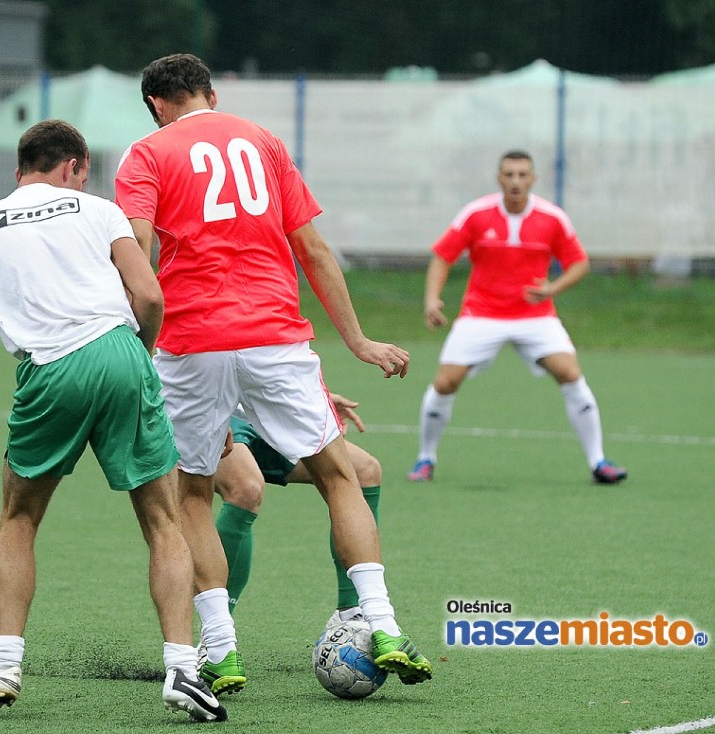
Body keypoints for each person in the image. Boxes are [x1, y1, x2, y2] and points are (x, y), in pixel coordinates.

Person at [115, 53, 432, 695]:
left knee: (194, 494)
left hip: (190, 342)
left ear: (154, 103)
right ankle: (384, 625)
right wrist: (358, 339)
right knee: (341, 476)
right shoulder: (262, 142)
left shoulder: (145, 154)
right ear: (211, 91)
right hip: (274, 337)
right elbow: (312, 249)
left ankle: (222, 650)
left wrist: (134, 340)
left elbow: (138, 251)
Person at [0, 119, 226, 723]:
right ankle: (185, 669)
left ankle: (4, 664)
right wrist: (138, 355)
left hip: (48, 371)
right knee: (163, 520)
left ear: (19, 172)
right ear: (77, 167)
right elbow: (152, 297)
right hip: (118, 352)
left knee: (19, 517)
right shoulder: (98, 210)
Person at [407, 149, 628, 486]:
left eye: (522, 175)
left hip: (535, 316)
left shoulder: (552, 218)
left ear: (533, 179)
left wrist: (553, 288)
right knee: (445, 382)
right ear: (499, 178)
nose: (515, 181)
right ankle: (426, 459)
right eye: (509, 174)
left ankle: (599, 462)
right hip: (481, 313)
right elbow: (442, 256)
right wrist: (432, 300)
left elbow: (580, 263)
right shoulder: (476, 214)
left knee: (569, 372)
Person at [215, 394, 381, 624]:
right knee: (246, 488)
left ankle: (352, 615)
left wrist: (307, 396)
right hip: (211, 406)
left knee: (364, 470)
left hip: (261, 410)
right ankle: (215, 632)